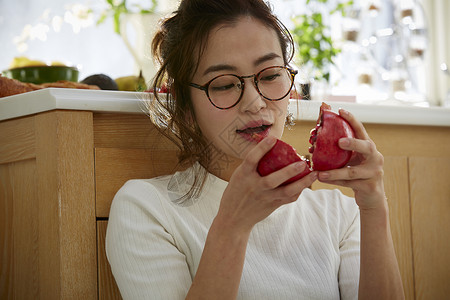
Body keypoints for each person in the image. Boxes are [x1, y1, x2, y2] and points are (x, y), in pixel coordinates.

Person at [106, 0, 405, 299]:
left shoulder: (339, 214)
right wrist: (232, 227)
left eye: (271, 75)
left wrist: (374, 205)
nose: (254, 102)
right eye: (224, 84)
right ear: (186, 108)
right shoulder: (146, 209)